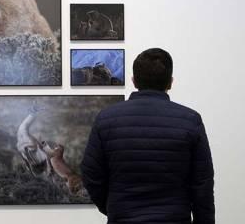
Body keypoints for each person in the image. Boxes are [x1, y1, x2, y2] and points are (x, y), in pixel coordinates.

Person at [80, 48, 215, 224]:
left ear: (134, 81)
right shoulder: (190, 120)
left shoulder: (106, 119)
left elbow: (90, 174)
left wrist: (113, 207)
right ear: (170, 82)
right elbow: (202, 185)